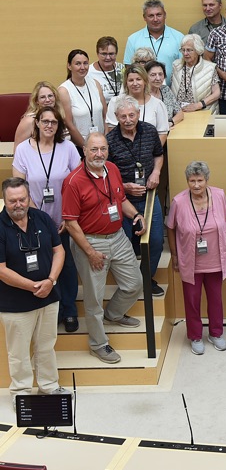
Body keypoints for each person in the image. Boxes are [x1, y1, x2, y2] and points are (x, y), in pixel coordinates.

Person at [62, 132, 146, 364]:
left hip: (118, 236)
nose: (99, 154)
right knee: (94, 300)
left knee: (134, 283)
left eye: (103, 149)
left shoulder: (112, 169)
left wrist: (136, 215)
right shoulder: (73, 181)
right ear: (84, 152)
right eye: (94, 149)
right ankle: (98, 344)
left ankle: (114, 314)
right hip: (91, 242)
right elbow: (70, 223)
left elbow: (120, 200)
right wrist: (90, 252)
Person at [12, 107, 80, 332]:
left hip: (64, 220)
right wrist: (42, 220)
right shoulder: (24, 150)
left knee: (67, 266)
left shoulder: (68, 148)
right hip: (34, 220)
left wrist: (68, 217)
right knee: (42, 265)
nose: (49, 125)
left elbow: (78, 183)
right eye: (45, 121)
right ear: (37, 123)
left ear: (59, 126)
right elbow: (19, 187)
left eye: (54, 122)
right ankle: (53, 309)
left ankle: (69, 310)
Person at [0, 177, 65, 398]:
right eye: (12, 201)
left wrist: (51, 281)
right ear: (5, 200)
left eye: (22, 199)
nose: (18, 204)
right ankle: (21, 393)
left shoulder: (42, 218)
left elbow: (59, 251)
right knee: (18, 353)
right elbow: (1, 270)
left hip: (48, 296)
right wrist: (34, 287)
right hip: (15, 304)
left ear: (29, 198)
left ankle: (50, 386)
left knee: (46, 346)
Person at [166, 161, 226, 355]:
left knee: (216, 299)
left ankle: (216, 333)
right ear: (187, 181)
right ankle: (195, 336)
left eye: (200, 180)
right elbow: (170, 228)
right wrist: (175, 255)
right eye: (192, 181)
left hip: (215, 260)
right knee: (192, 300)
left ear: (206, 180)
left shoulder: (219, 195)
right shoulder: (179, 201)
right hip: (190, 261)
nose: (196, 185)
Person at [105, 95, 165, 297]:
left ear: (138, 113)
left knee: (156, 240)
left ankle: (147, 278)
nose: (128, 120)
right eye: (123, 116)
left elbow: (158, 154)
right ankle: (131, 282)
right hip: (123, 199)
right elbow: (106, 176)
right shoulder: (110, 141)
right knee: (126, 243)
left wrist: (156, 172)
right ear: (116, 117)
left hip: (149, 196)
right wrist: (124, 187)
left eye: (131, 115)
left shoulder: (149, 130)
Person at [105, 64, 169, 145]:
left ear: (145, 81)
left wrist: (151, 150)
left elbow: (162, 133)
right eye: (131, 80)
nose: (135, 83)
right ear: (126, 83)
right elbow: (112, 131)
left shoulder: (158, 104)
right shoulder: (115, 102)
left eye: (138, 79)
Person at [123, 0, 184, 83]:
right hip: (142, 90)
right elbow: (129, 68)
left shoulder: (179, 38)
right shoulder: (133, 39)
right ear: (144, 17)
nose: (155, 19)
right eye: (151, 16)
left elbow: (184, 67)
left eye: (159, 15)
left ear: (165, 15)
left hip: (172, 89)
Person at [58, 49, 106, 149]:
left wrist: (104, 142)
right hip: (80, 147)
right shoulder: (64, 90)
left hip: (101, 145)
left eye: (85, 63)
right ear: (69, 66)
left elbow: (105, 115)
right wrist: (87, 148)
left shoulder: (95, 83)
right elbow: (69, 124)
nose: (82, 67)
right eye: (78, 64)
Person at [170, 34, 221, 115]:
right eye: (183, 50)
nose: (185, 53)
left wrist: (199, 105)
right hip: (179, 114)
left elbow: (217, 93)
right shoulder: (176, 65)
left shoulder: (210, 68)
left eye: (189, 50)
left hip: (202, 113)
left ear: (198, 50)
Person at [14, 81, 64, 149]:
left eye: (50, 96)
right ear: (36, 101)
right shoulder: (29, 121)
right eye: (42, 97)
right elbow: (17, 151)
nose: (47, 100)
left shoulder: (61, 115)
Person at [87, 36, 125, 103]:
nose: (108, 58)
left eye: (111, 54)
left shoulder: (123, 69)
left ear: (116, 53)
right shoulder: (88, 72)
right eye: (104, 54)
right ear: (97, 54)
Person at [145, 60, 180, 128]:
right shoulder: (141, 94)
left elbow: (179, 113)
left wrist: (170, 123)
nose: (158, 78)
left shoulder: (166, 90)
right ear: (145, 76)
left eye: (160, 74)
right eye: (153, 75)